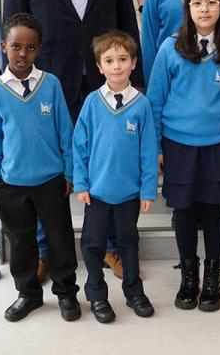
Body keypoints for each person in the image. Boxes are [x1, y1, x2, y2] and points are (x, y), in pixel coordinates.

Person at [4, 0, 142, 281]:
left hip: (103, 83)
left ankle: (112, 248)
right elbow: (14, 21)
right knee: (52, 170)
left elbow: (125, 24)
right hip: (47, 81)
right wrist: (13, 75)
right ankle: (48, 250)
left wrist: (137, 80)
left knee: (107, 163)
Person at [146, 0, 220, 313]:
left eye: (211, 2)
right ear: (187, 9)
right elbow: (156, 101)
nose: (204, 9)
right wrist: (157, 147)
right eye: (197, 3)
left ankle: (212, 277)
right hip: (178, 145)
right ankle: (188, 275)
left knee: (213, 212)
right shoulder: (170, 48)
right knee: (186, 212)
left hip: (219, 144)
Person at [0, 13, 81, 322]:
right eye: (16, 47)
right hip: (11, 184)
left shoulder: (50, 84)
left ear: (39, 50)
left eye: (30, 48)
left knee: (59, 240)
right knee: (21, 243)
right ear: (4, 47)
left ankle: (66, 293)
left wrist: (69, 172)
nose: (22, 54)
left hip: (50, 180)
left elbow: (65, 131)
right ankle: (28, 294)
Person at [72, 31, 158, 323]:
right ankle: (97, 294)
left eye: (123, 59)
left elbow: (148, 152)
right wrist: (81, 183)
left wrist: (147, 190)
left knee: (128, 243)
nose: (117, 66)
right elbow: (79, 146)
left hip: (129, 193)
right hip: (96, 191)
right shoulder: (92, 103)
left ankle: (134, 292)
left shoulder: (141, 104)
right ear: (99, 66)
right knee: (93, 244)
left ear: (134, 63)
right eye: (109, 60)